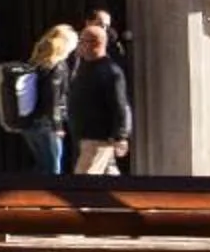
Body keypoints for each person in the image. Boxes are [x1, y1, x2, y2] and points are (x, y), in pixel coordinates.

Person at [67, 19, 131, 173]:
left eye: (82, 41)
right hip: (83, 136)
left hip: (98, 138)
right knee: (107, 177)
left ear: (96, 43)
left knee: (84, 182)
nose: (79, 45)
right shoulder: (82, 67)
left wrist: (121, 136)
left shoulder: (109, 71)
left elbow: (119, 104)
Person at [20, 24, 79, 176]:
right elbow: (53, 97)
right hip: (47, 123)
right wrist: (57, 125)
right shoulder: (58, 66)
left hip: (30, 120)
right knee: (53, 170)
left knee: (41, 165)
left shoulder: (36, 62)